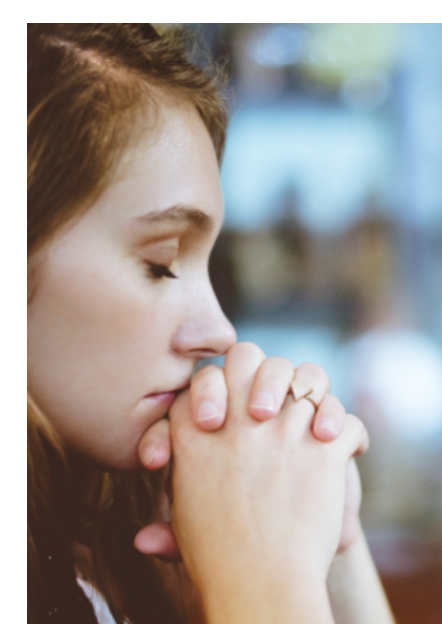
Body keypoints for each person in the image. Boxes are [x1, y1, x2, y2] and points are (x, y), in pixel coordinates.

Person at [27, 23, 396, 624]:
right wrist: (263, 575)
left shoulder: (88, 558)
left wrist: (329, 546)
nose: (220, 332)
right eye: (160, 263)